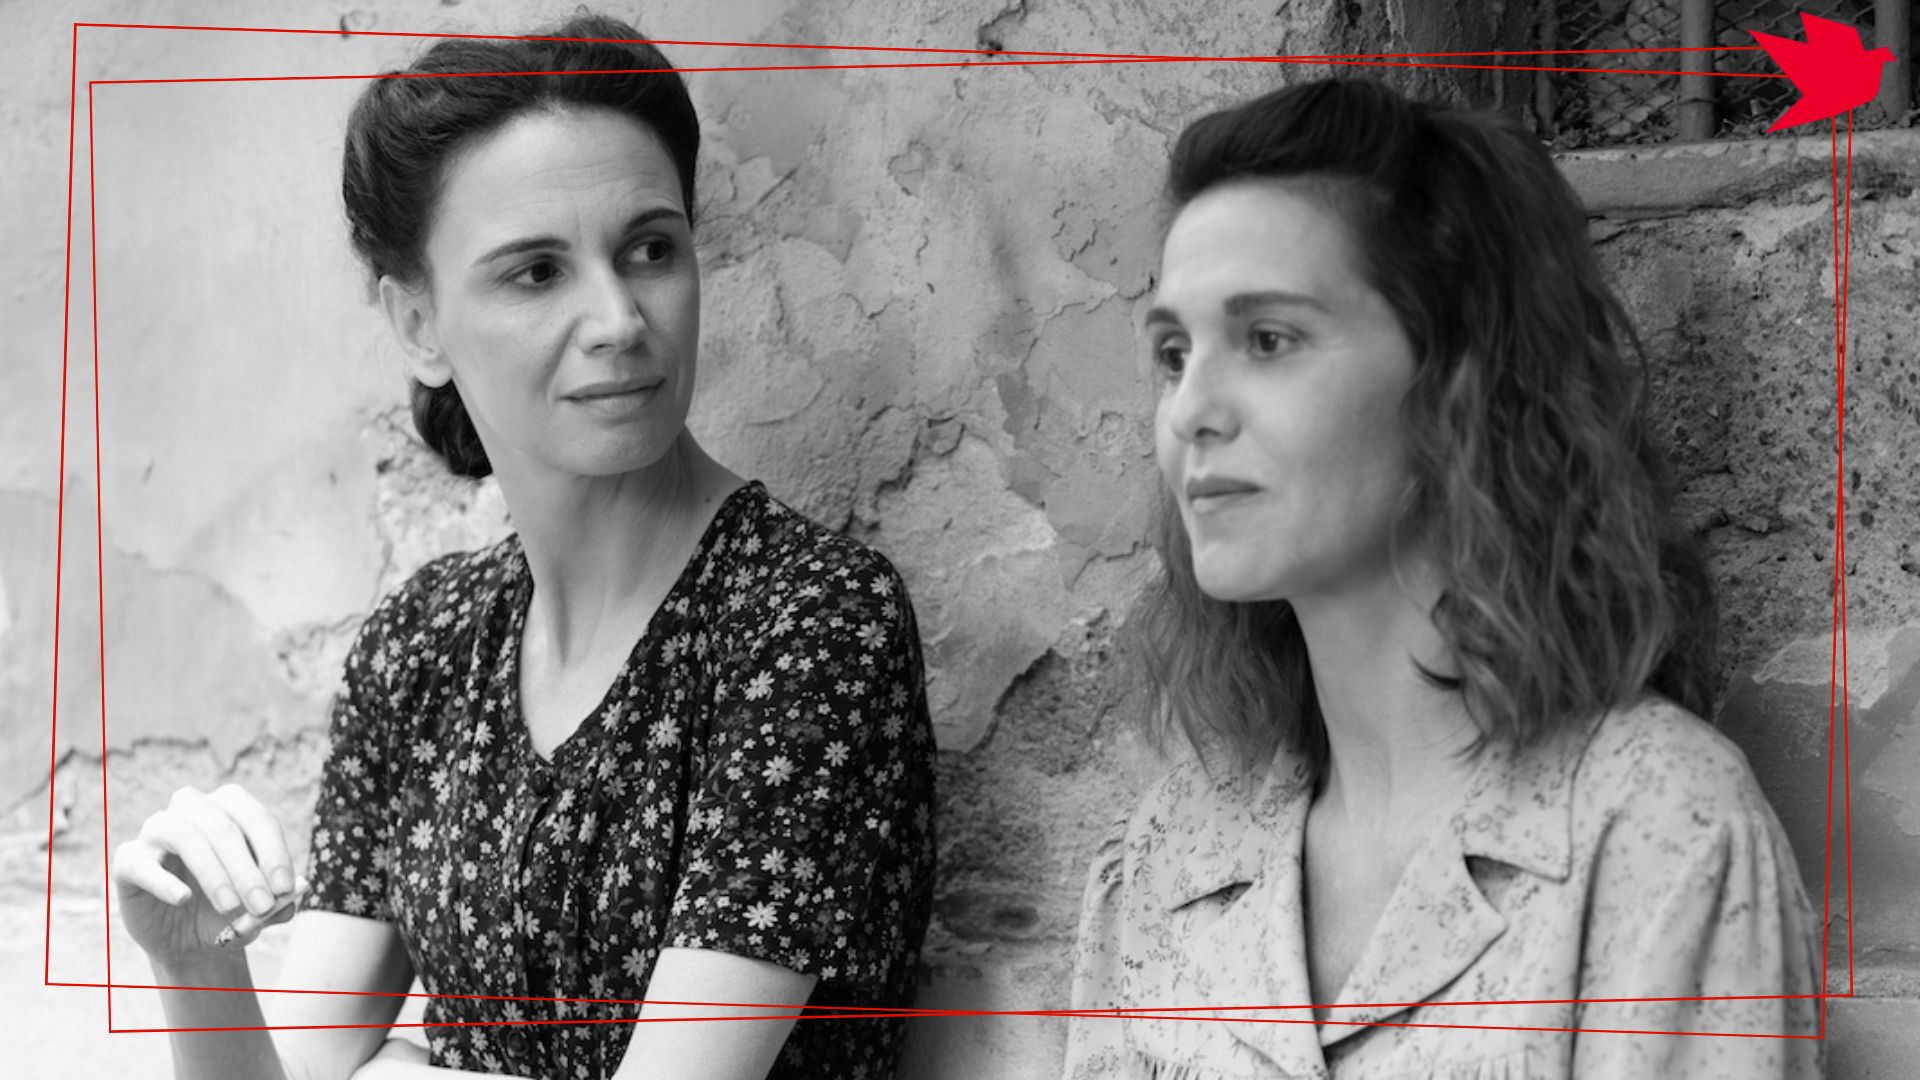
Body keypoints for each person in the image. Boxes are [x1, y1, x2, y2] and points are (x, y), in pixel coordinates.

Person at [110, 16, 936, 1080]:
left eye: (651, 248)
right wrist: (195, 965)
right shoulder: (423, 643)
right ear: (419, 326)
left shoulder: (809, 620)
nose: (620, 319)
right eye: (537, 272)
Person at [1064, 78, 1821, 1079]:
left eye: (1268, 340)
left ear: (1460, 382)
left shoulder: (1657, 829)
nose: (1189, 410)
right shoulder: (1174, 847)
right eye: (1172, 353)